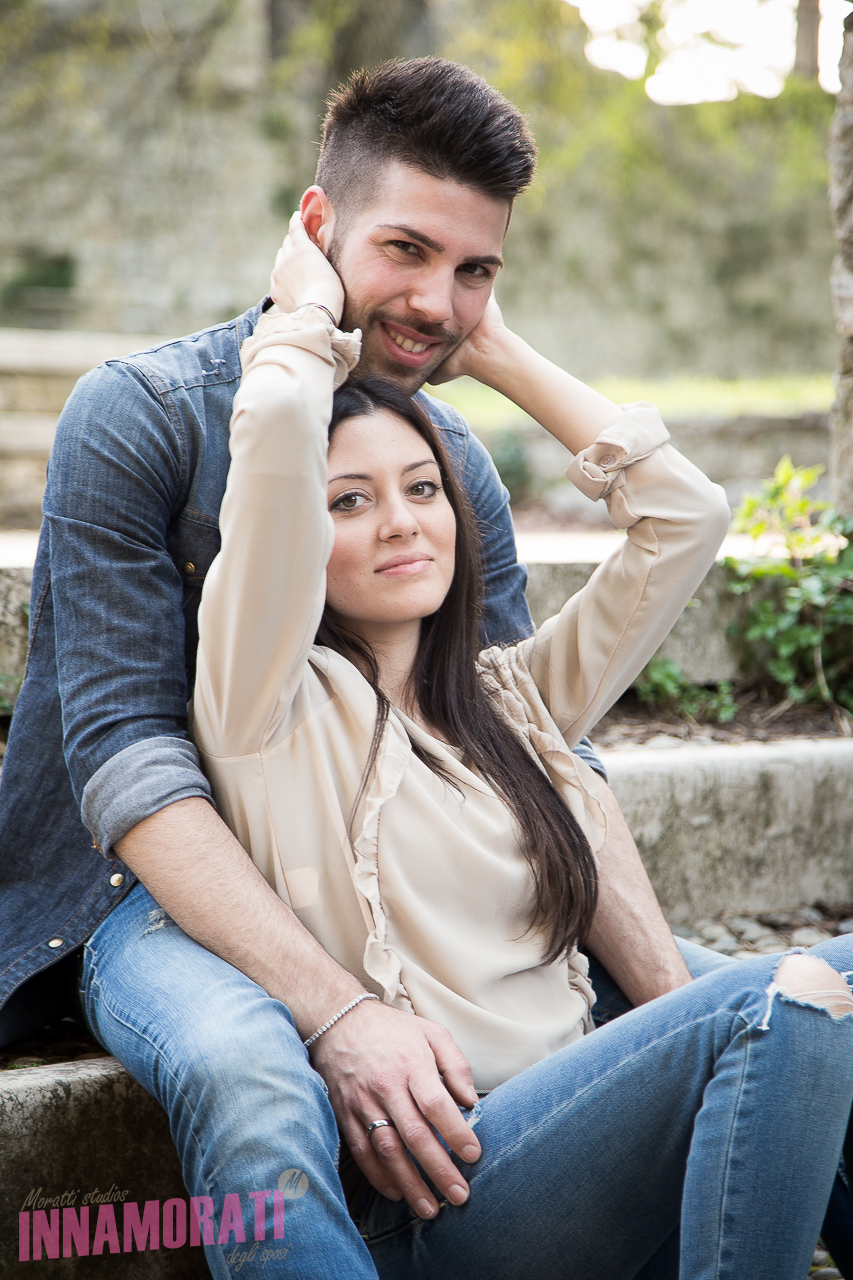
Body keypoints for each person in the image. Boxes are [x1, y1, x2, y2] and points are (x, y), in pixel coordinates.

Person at [0, 56, 837, 1276]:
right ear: (315, 225)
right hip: (143, 880)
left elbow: (520, 741)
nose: (440, 301)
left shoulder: (454, 464)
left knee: (794, 995)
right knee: (250, 1064)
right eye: (407, 252)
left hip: (394, 861)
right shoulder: (145, 416)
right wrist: (340, 1008)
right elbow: (131, 763)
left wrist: (653, 982)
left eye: (476, 270)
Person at [185, 209, 853, 1280]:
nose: (401, 521)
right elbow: (268, 448)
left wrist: (485, 344)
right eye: (348, 502)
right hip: (453, 1196)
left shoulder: (516, 699)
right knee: (785, 991)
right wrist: (306, 314)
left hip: (594, 1136)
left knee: (840, 980)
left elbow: (683, 515)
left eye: (420, 489)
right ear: (301, 539)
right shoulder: (267, 702)